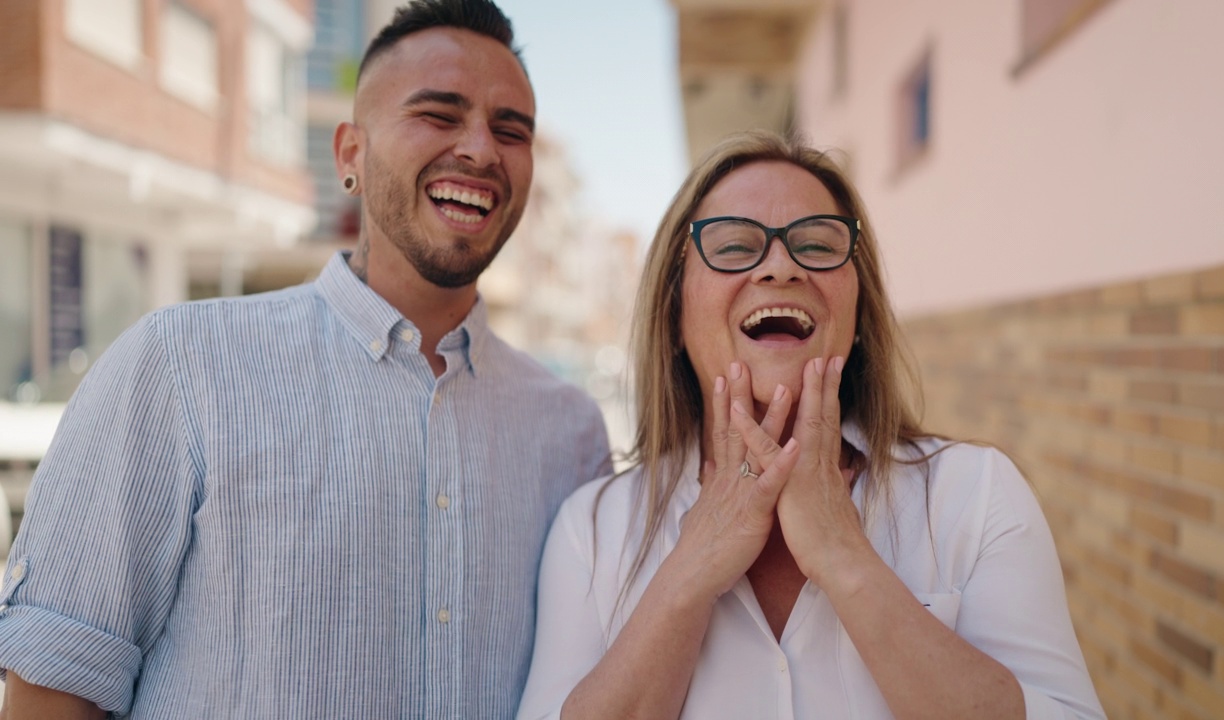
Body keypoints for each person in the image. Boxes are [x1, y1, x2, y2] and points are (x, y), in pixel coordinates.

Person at [0, 1, 611, 717]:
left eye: (511, 129)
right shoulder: (180, 370)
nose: (480, 149)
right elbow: (53, 692)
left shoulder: (571, 435)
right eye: (440, 116)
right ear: (351, 153)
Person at [517, 131, 1105, 719]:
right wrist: (687, 577)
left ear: (857, 315)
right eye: (733, 245)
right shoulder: (591, 532)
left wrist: (845, 557)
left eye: (818, 245)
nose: (780, 267)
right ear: (674, 311)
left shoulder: (976, 495)